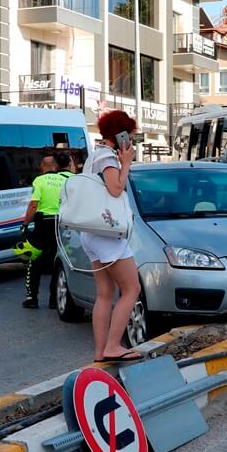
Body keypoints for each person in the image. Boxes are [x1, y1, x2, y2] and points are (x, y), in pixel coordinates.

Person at [84, 110, 142, 363]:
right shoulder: (107, 157)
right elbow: (116, 189)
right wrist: (126, 162)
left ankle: (100, 352)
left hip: (93, 232)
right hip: (108, 233)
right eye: (129, 134)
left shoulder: (94, 155)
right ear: (119, 134)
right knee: (132, 289)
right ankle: (113, 346)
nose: (131, 140)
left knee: (105, 293)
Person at [21, 152, 73, 309]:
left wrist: (25, 223)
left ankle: (32, 298)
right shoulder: (65, 180)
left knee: (35, 260)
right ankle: (54, 300)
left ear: (42, 167)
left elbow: (34, 205)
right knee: (57, 262)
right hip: (60, 224)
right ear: (55, 166)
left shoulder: (40, 180)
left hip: (43, 224)